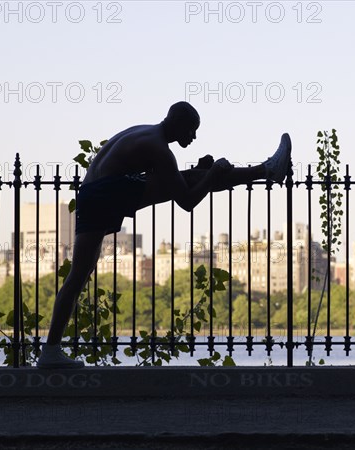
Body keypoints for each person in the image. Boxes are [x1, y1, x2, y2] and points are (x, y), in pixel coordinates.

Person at [37, 101, 292, 369]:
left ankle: (51, 351)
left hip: (97, 192)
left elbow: (168, 180)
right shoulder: (159, 149)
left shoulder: (147, 133)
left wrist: (201, 172)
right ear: (178, 124)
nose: (193, 138)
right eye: (191, 131)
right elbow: (187, 201)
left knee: (78, 276)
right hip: (104, 194)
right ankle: (267, 171)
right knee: (78, 276)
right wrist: (213, 173)